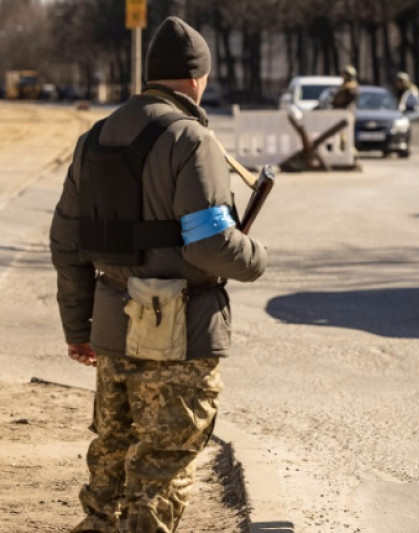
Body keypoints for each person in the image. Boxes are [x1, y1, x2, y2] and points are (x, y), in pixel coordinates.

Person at [49, 16, 268, 532]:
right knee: (163, 465)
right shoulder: (191, 139)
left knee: (112, 454)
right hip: (180, 333)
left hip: (112, 325)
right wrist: (257, 256)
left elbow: (66, 244)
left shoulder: (95, 137)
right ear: (197, 79)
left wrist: (78, 330)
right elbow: (212, 244)